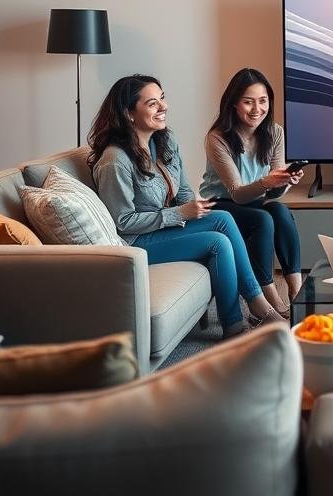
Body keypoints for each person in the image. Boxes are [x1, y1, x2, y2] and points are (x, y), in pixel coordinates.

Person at [88, 74, 285, 339]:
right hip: (136, 241)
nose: (164, 107)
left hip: (162, 227)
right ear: (128, 113)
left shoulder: (164, 141)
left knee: (223, 218)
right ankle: (236, 325)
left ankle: (257, 305)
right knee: (217, 242)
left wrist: (193, 212)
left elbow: (182, 192)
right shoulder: (115, 160)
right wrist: (180, 214)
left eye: (162, 99)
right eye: (153, 104)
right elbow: (122, 222)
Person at [200, 68, 303, 318]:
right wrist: (268, 181)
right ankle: (269, 297)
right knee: (262, 219)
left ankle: (297, 292)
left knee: (279, 211)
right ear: (234, 103)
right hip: (220, 203)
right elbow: (237, 194)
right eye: (248, 102)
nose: (257, 109)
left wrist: (286, 181)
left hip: (255, 199)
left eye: (263, 101)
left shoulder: (275, 132)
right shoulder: (217, 138)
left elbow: (274, 195)